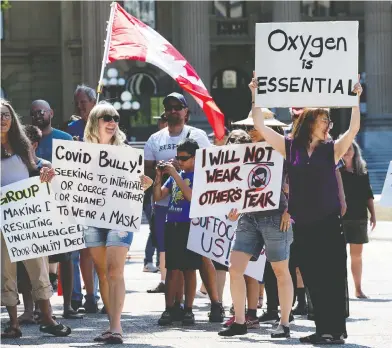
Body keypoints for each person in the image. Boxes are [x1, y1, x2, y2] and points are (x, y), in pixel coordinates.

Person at [251, 73, 363, 344]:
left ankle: (334, 330)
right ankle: (322, 327)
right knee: (312, 277)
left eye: (329, 120)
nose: (328, 124)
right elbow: (261, 128)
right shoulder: (290, 147)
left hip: (328, 222)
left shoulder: (331, 149)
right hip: (304, 223)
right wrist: (256, 95)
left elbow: (353, 131)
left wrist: (355, 100)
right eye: (325, 119)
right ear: (311, 121)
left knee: (332, 275)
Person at [144, 92, 224, 322]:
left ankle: (215, 302)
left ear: (186, 111)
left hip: (195, 207)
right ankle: (175, 306)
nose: (172, 111)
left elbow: (210, 167)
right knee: (173, 261)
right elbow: (147, 172)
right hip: (165, 208)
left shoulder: (197, 135)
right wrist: (160, 172)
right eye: (168, 107)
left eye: (177, 107)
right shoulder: (155, 139)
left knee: (202, 258)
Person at [82, 102, 152, 344]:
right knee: (102, 273)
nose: (112, 122)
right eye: (106, 118)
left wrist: (143, 184)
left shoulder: (127, 153)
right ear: (95, 122)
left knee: (115, 271)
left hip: (119, 217)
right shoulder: (80, 153)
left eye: (115, 117)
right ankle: (111, 326)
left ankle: (116, 327)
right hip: (92, 218)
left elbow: (134, 187)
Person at [1, 98, 71, 338]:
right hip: (2, 220)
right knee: (6, 272)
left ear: (13, 119)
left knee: (39, 269)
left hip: (27, 217)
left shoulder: (21, 145)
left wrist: (46, 171)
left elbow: (37, 168)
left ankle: (48, 319)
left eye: (6, 115)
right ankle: (13, 324)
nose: (2, 119)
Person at [218, 117, 294, 339]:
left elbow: (299, 182)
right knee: (235, 268)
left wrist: (290, 211)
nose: (249, 131)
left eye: (254, 127)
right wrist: (234, 208)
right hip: (248, 217)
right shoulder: (244, 154)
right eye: (248, 127)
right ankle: (240, 321)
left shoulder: (283, 152)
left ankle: (284, 323)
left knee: (280, 271)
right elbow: (238, 186)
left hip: (275, 216)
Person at [30, 99, 83, 319]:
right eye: (33, 113)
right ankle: (36, 307)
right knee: (35, 258)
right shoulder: (25, 140)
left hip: (62, 205)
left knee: (66, 257)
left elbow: (76, 172)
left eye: (41, 111)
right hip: (34, 208)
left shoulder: (66, 139)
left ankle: (68, 306)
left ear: (51, 112)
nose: (37, 116)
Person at [153, 138, 202, 325]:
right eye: (177, 158)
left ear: (195, 158)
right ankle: (169, 308)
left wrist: (175, 174)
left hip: (189, 224)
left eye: (184, 158)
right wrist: (159, 177)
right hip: (172, 223)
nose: (179, 162)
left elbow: (191, 196)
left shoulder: (198, 175)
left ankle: (188, 309)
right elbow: (158, 197)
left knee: (189, 269)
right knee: (172, 268)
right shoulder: (177, 175)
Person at [66, 85, 101, 313]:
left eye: (84, 102)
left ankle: (99, 294)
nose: (80, 106)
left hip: (103, 197)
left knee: (101, 248)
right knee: (80, 249)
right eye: (77, 103)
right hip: (78, 196)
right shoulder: (71, 129)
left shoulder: (106, 125)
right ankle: (80, 297)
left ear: (93, 102)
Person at [340, 139, 376, 299]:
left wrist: (373, 215)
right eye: (344, 148)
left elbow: (368, 194)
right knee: (339, 256)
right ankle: (341, 291)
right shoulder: (335, 171)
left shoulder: (362, 171)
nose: (347, 151)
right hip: (338, 218)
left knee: (356, 256)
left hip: (359, 217)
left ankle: (358, 289)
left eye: (350, 148)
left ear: (355, 151)